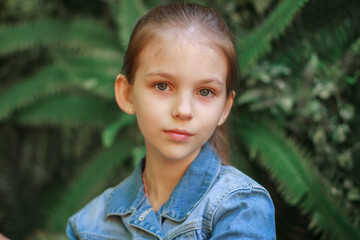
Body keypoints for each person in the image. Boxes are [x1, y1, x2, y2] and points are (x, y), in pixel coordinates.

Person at [67, 2, 276, 239]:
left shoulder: (240, 207)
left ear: (225, 107)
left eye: (205, 91)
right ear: (127, 94)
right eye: (162, 86)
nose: (183, 110)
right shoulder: (91, 223)